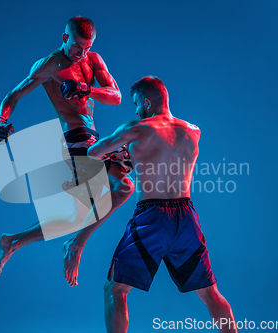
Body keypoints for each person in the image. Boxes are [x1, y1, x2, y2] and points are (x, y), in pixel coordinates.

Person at [87, 76, 238, 333]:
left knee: (116, 289)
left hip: (153, 217)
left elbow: (92, 153)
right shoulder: (193, 131)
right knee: (210, 293)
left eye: (136, 104)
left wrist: (114, 149)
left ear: (147, 102)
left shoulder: (138, 128)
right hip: (186, 216)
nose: (135, 110)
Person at [0, 16, 134, 286]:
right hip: (77, 139)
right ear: (66, 38)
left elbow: (116, 96)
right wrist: (0, 119)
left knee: (118, 190)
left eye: (87, 47)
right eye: (78, 47)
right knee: (106, 196)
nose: (82, 53)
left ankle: (15, 241)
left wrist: (86, 89)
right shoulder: (49, 66)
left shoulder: (93, 60)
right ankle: (71, 245)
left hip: (96, 138)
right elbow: (14, 95)